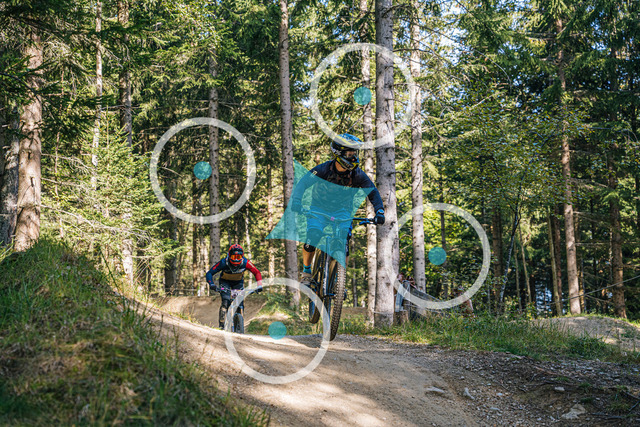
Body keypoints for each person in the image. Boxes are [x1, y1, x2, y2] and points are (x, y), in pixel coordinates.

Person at [290, 133, 385, 286]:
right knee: (312, 237)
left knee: (343, 240)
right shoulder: (324, 169)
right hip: (319, 209)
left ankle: (339, 281)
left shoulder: (357, 174)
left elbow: (372, 192)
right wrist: (296, 201)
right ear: (338, 154)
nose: (354, 157)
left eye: (355, 153)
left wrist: (379, 211)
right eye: (349, 154)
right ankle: (306, 272)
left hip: (343, 211)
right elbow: (303, 183)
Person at [206, 244, 263, 329]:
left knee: (240, 302)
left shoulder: (245, 262)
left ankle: (240, 323)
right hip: (225, 282)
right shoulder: (223, 262)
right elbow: (209, 273)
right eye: (233, 256)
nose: (236, 259)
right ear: (229, 255)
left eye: (238, 257)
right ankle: (221, 325)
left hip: (238, 283)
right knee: (225, 301)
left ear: (242, 256)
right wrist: (211, 284)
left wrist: (259, 285)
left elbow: (256, 272)